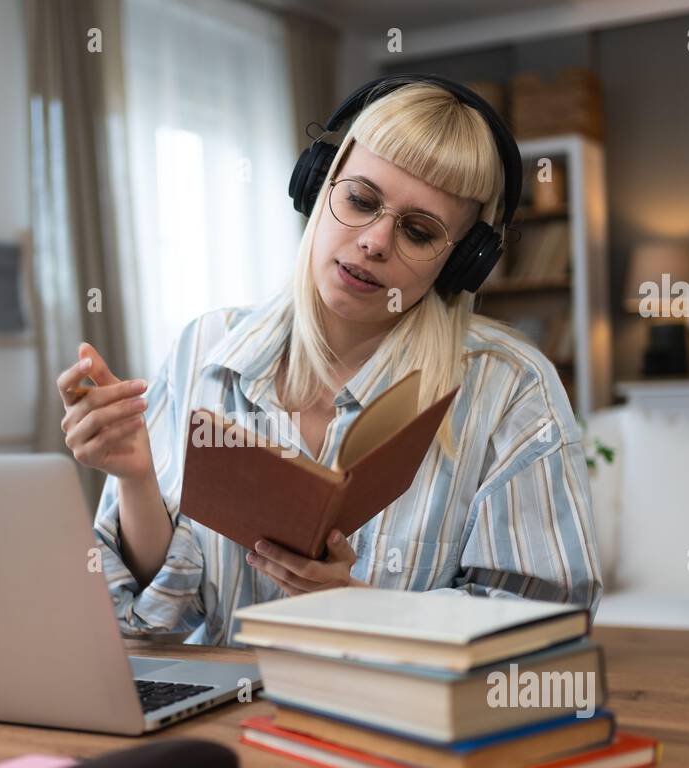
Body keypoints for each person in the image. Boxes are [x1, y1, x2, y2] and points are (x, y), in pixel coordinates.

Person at [56, 77, 602, 647]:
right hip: (223, 717)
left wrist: (361, 610)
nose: (374, 242)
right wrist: (135, 477)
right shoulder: (204, 346)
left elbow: (551, 622)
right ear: (318, 186)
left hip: (395, 722)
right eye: (361, 201)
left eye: (419, 231)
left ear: (463, 262)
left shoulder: (509, 387)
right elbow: (153, 619)